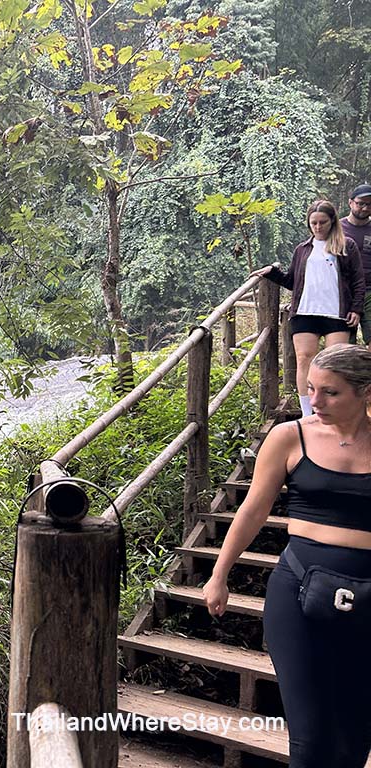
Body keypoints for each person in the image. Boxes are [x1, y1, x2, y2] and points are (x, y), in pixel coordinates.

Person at [203, 344, 371, 767]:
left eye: (331, 392)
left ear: (365, 392)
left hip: (367, 597)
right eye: (311, 388)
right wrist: (219, 573)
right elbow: (253, 509)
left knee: (355, 736)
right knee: (311, 739)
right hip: (297, 591)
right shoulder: (289, 436)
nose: (315, 401)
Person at [252, 199, 365, 417]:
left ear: (332, 221)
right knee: (304, 359)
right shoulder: (303, 249)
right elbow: (293, 281)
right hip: (305, 312)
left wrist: (356, 309)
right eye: (313, 223)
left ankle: (334, 411)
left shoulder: (346, 245)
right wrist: (271, 272)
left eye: (322, 222)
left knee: (335, 362)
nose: (318, 227)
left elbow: (358, 281)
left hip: (337, 313)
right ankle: (307, 413)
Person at [341, 184, 371, 346]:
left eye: (369, 204)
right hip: (344, 292)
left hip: (369, 290)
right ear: (351, 203)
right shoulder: (336, 228)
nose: (365, 208)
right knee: (344, 344)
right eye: (361, 203)